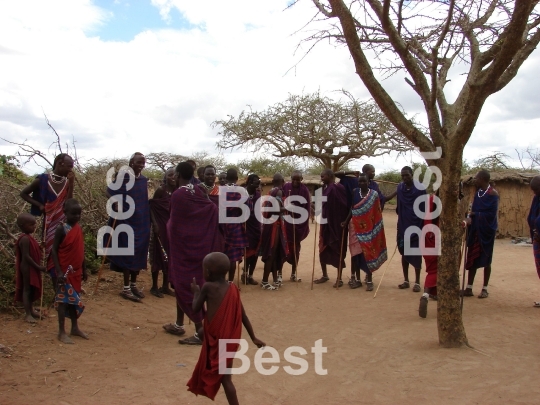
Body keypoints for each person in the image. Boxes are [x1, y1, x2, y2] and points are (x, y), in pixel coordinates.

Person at [187, 252, 265, 405]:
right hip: (228, 340)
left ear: (208, 272)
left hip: (218, 340)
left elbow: (196, 308)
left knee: (226, 380)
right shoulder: (233, 288)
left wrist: (195, 293)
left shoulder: (207, 287)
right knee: (226, 377)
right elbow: (243, 315)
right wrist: (253, 337)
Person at [167, 162, 224, 344]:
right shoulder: (199, 191)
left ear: (177, 175)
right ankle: (178, 323)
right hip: (199, 248)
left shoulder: (178, 195)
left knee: (186, 286)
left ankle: (201, 331)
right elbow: (211, 210)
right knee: (183, 285)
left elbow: (174, 224)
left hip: (184, 250)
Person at [20, 153, 75, 288]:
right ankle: (56, 286)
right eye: (69, 166)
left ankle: (63, 285)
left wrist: (72, 183)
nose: (70, 170)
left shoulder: (66, 182)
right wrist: (39, 205)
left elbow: (68, 203)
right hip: (49, 225)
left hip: (64, 224)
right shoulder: (42, 180)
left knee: (64, 254)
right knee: (52, 255)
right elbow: (23, 193)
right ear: (59, 164)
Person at [105, 152, 150, 303]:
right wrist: (116, 202)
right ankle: (125, 288)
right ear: (131, 162)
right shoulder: (123, 176)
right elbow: (109, 191)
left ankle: (133, 284)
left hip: (141, 220)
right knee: (127, 252)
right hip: (125, 218)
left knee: (138, 252)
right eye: (138, 162)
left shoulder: (143, 180)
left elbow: (143, 200)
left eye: (143, 163)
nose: (141, 165)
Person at [51, 198, 88, 344]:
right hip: (65, 273)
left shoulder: (78, 228)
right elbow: (54, 250)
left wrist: (84, 269)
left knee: (74, 300)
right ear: (65, 212)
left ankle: (75, 327)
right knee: (63, 301)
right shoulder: (62, 229)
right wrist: (59, 272)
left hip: (76, 271)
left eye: (79, 214)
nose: (77, 217)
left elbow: (81, 250)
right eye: (74, 214)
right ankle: (61, 331)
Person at [342, 174, 387, 291]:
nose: (362, 183)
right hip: (354, 227)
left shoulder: (374, 194)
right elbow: (352, 208)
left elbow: (377, 212)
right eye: (360, 182)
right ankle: (357, 280)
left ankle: (369, 280)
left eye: (364, 182)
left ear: (368, 182)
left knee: (368, 254)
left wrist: (375, 227)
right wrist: (346, 221)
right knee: (356, 254)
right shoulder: (355, 192)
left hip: (368, 229)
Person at [462, 170, 499, 299]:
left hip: (486, 232)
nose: (475, 180)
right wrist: (469, 218)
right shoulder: (478, 193)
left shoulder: (493, 194)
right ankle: (469, 287)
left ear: (483, 179)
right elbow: (473, 210)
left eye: (477, 178)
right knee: (473, 259)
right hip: (476, 230)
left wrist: (475, 215)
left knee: (486, 260)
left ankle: (485, 289)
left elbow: (491, 215)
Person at [314, 169, 349, 287]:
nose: (321, 178)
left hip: (336, 225)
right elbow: (321, 206)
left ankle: (339, 278)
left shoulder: (338, 188)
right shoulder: (323, 189)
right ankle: (325, 275)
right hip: (325, 225)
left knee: (337, 250)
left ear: (329, 176)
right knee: (322, 248)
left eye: (323, 176)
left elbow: (344, 205)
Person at [396, 166, 426, 292]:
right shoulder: (400, 188)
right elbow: (399, 207)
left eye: (407, 175)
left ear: (412, 174)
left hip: (416, 226)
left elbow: (424, 209)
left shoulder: (420, 189)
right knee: (404, 253)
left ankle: (418, 282)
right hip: (403, 225)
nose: (404, 178)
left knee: (416, 253)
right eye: (402, 176)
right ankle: (406, 280)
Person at [149, 168, 177, 298]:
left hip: (171, 228)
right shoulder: (161, 190)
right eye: (169, 175)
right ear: (165, 177)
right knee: (158, 255)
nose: (172, 177)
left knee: (169, 256)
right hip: (160, 226)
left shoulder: (177, 191)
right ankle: (154, 286)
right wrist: (154, 224)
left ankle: (165, 286)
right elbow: (152, 206)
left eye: (174, 175)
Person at [14, 213, 46, 323]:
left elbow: (34, 250)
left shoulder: (29, 238)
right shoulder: (24, 239)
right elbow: (27, 257)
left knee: (31, 289)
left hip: (32, 266)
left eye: (34, 224)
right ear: (23, 225)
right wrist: (39, 267)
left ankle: (31, 311)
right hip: (27, 267)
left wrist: (41, 247)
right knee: (27, 289)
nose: (34, 226)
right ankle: (27, 314)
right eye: (31, 225)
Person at [259, 173, 289, 290]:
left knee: (275, 252)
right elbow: (276, 210)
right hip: (274, 226)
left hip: (270, 224)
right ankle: (265, 281)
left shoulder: (270, 192)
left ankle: (275, 279)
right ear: (282, 181)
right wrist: (287, 208)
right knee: (272, 252)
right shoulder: (278, 192)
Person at [283, 171, 311, 281]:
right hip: (286, 224)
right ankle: (279, 274)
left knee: (295, 250)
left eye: (298, 179)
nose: (295, 181)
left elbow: (306, 208)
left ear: (301, 179)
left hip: (297, 224)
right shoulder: (286, 186)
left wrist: (297, 210)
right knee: (283, 248)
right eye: (293, 179)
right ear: (291, 178)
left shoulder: (304, 190)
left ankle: (293, 273)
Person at [223, 169, 248, 282]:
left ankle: (221, 281)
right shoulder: (241, 191)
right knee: (232, 257)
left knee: (222, 254)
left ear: (226, 178)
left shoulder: (220, 191)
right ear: (237, 178)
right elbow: (247, 208)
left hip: (222, 225)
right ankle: (230, 282)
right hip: (235, 224)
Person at [419, 192, 439, 318]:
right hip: (438, 238)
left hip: (427, 237)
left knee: (432, 269)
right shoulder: (449, 202)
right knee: (438, 270)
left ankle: (429, 294)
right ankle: (427, 294)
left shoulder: (431, 198)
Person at [241, 174, 261, 285]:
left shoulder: (258, 194)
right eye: (255, 181)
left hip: (256, 227)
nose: (257, 183)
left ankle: (250, 275)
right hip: (245, 226)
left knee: (255, 252)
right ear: (249, 182)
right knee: (247, 252)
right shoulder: (242, 193)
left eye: (258, 181)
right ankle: (244, 273)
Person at [528, 175, 540, 307]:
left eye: (536, 189)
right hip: (538, 239)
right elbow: (532, 217)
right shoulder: (536, 199)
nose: (534, 192)